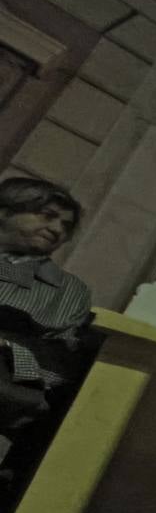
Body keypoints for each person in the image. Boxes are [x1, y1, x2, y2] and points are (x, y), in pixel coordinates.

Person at [0, 178, 93, 464]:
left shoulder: (69, 290)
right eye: (48, 216)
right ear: (5, 212)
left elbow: (59, 366)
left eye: (65, 226)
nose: (57, 230)